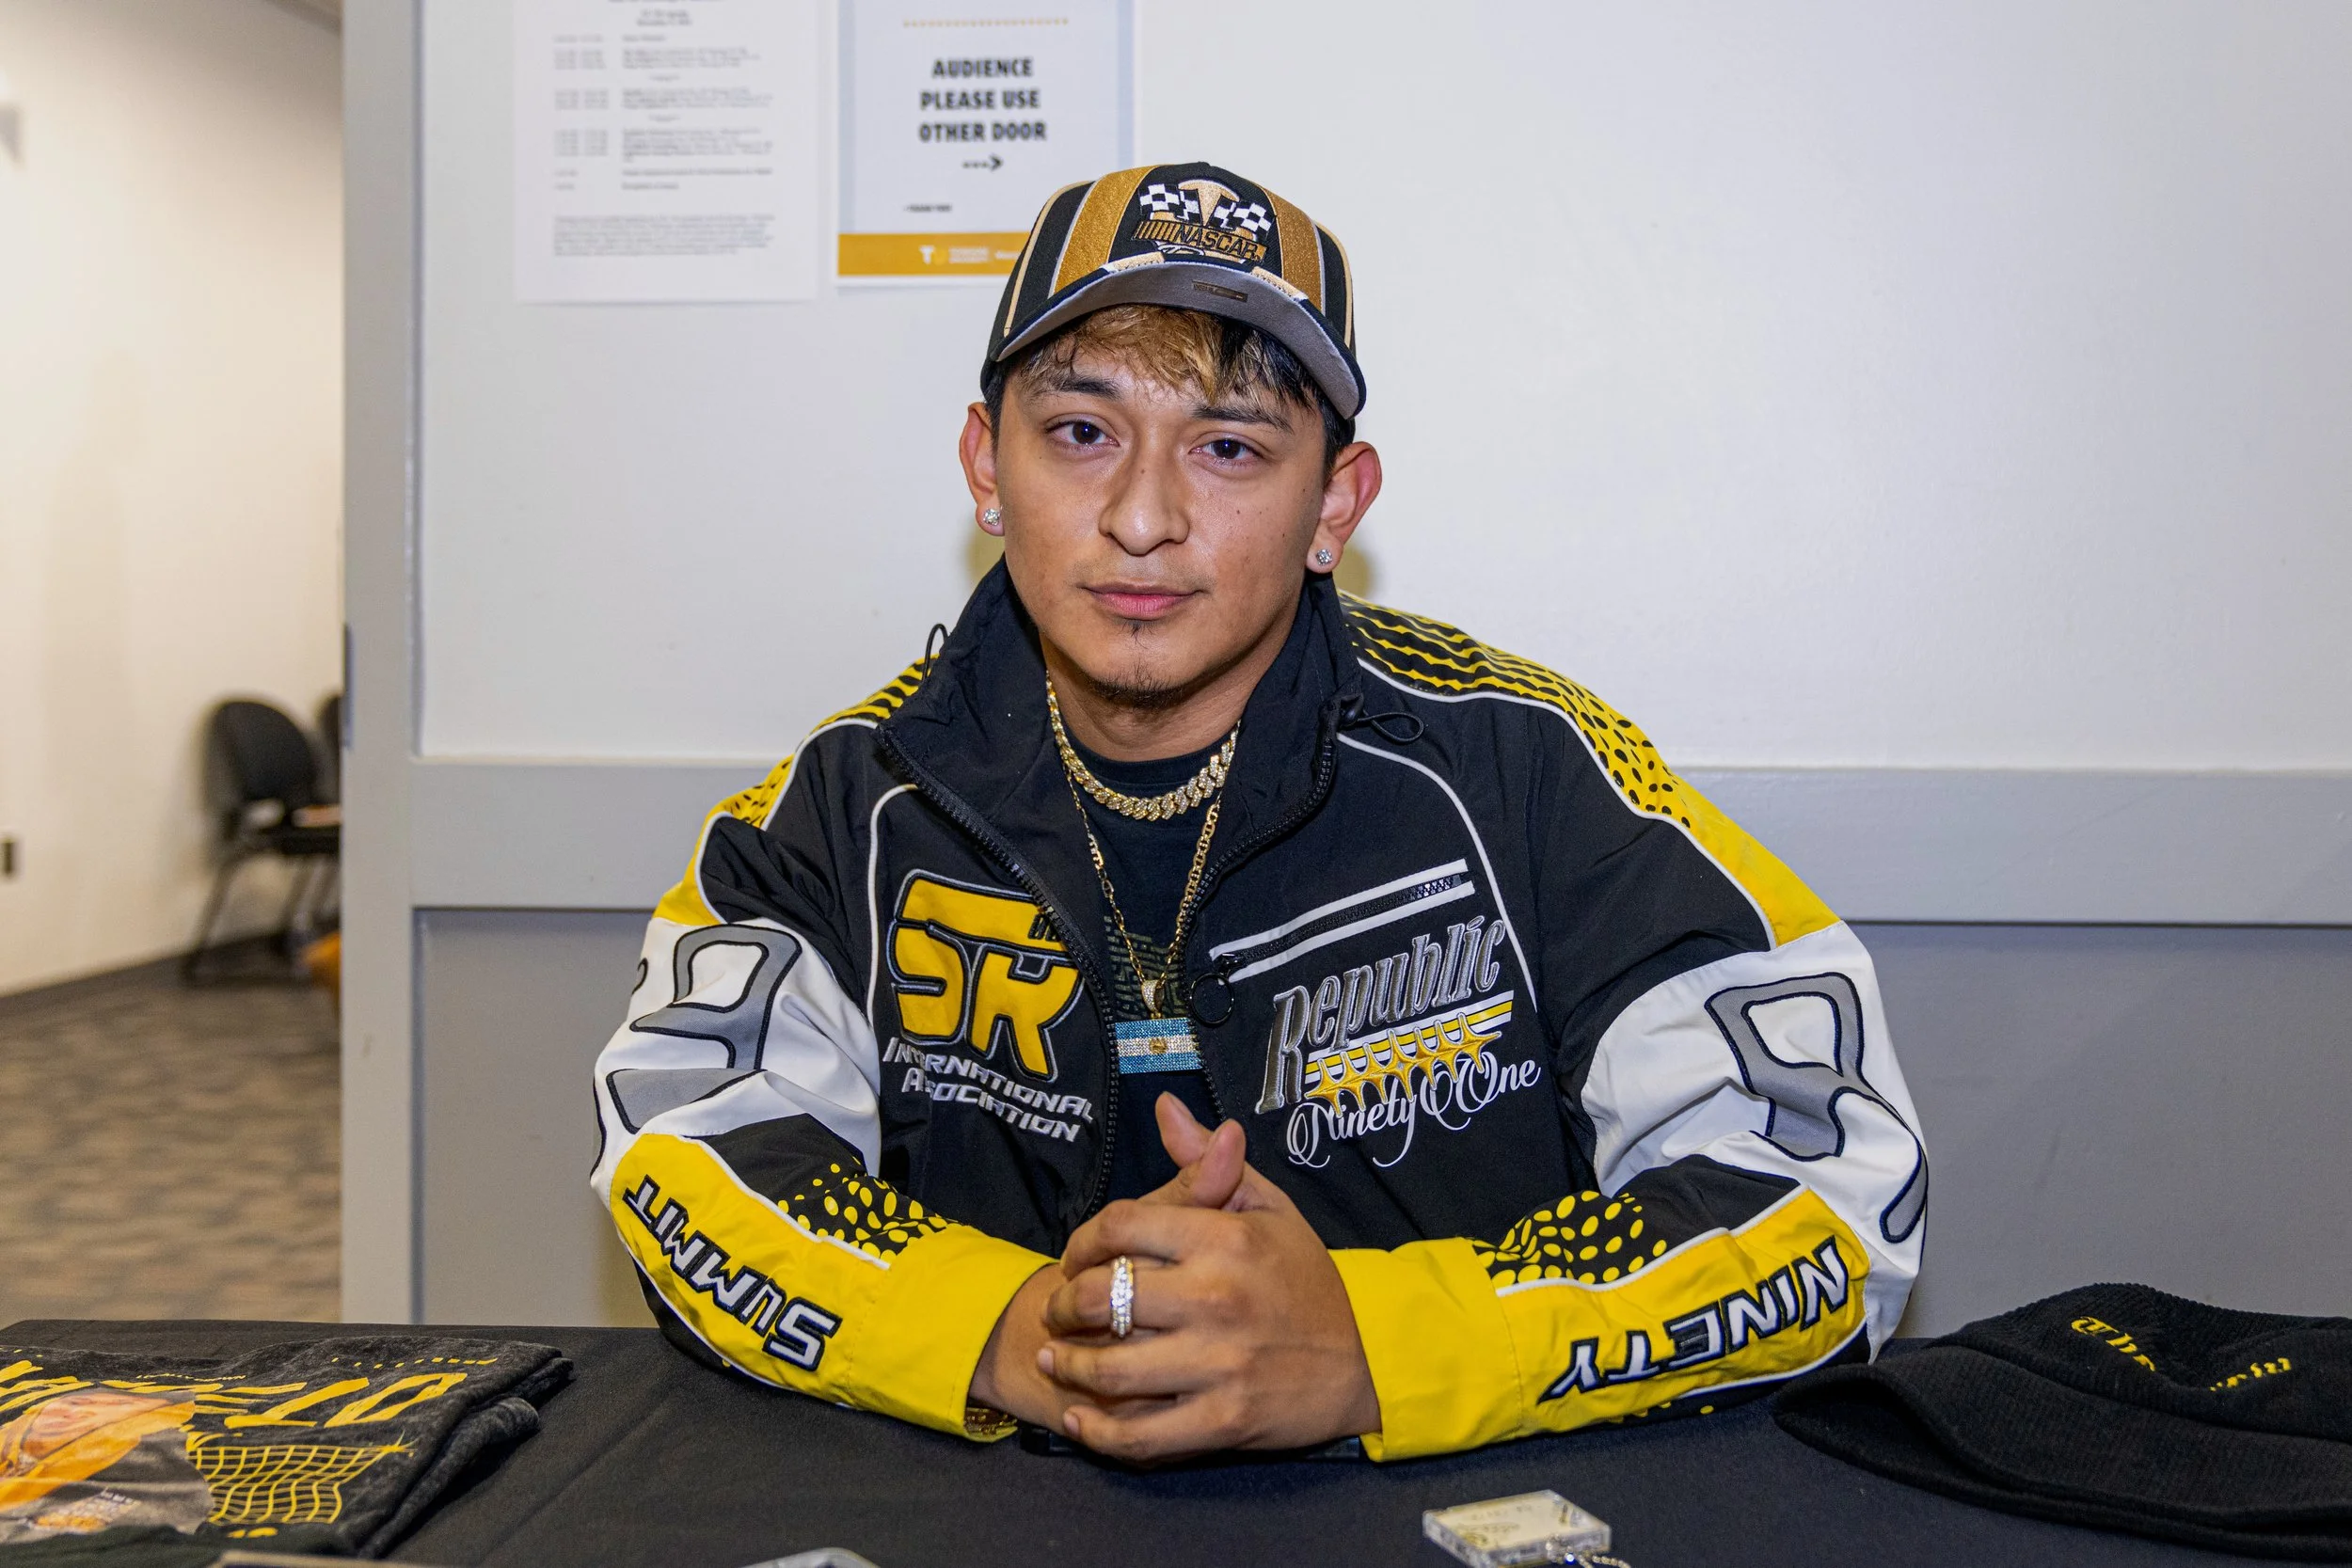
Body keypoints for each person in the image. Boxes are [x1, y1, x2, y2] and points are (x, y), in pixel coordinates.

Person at [588, 162, 1928, 1463]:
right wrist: (1002, 1330)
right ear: (984, 470)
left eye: (1229, 447)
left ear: (1335, 503)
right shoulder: (844, 798)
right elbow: (684, 1146)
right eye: (1079, 432)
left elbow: (1835, 1186)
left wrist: (1376, 1345)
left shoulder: (1532, 766)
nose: (1143, 516)